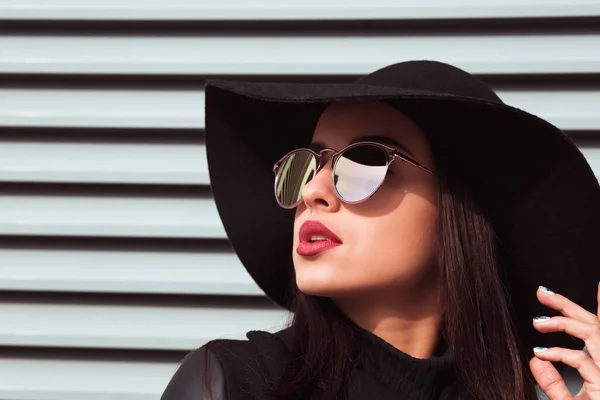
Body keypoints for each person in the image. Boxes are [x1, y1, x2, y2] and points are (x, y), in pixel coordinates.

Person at [160, 60, 600, 400]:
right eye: (305, 167)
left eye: (363, 164)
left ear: (458, 212)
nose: (313, 191)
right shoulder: (227, 385)